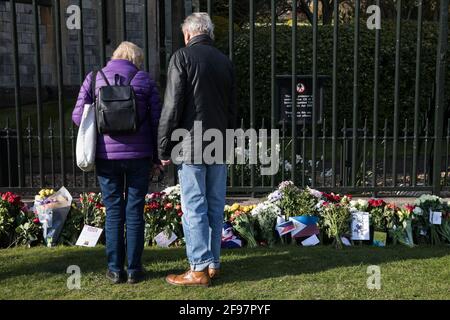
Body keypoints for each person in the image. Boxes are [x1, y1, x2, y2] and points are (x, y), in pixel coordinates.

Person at [72, 41, 162, 284]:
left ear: (114, 56)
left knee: (113, 213)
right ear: (136, 59)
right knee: (135, 213)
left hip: (106, 157)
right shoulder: (144, 80)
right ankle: (134, 269)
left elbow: (78, 116)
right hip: (138, 157)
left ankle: (114, 269)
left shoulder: (94, 78)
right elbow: (156, 122)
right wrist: (156, 157)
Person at [158, 13, 236, 287]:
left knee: (194, 208)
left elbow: (172, 106)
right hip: (220, 143)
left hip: (190, 145)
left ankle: (198, 268)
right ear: (208, 33)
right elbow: (232, 109)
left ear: (188, 34)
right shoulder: (224, 61)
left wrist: (164, 147)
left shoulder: (182, 57)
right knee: (214, 206)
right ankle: (212, 263)